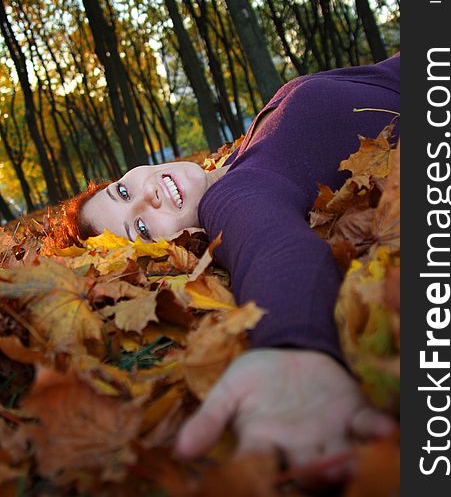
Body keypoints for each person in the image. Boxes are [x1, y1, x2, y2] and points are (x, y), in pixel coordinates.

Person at [60, 55, 400, 475]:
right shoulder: (235, 195)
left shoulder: (237, 160)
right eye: (143, 229)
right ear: (166, 252)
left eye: (122, 190)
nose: (146, 195)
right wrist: (292, 344)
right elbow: (269, 241)